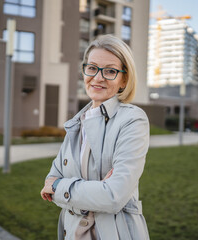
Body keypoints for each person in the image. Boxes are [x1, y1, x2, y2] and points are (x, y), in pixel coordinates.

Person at [40, 34, 150, 240]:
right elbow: (50, 178)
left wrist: (59, 187)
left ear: (124, 79)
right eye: (92, 68)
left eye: (110, 71)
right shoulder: (77, 122)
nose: (97, 77)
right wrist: (93, 188)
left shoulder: (133, 119)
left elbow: (113, 196)